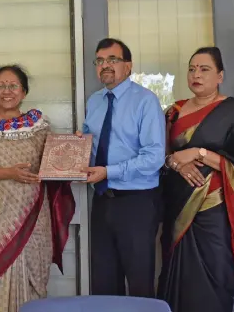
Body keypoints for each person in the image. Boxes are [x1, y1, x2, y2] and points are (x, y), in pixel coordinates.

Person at [0, 65, 76, 312]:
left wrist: (74, 147)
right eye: (1, 86)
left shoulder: (38, 126)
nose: (7, 91)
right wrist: (9, 174)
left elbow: (55, 163)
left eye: (13, 86)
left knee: (32, 279)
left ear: (24, 92)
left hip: (32, 219)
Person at [156, 47, 234, 312]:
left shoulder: (233, 112)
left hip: (214, 213)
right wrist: (176, 162)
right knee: (175, 280)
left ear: (220, 76)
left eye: (204, 69)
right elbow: (162, 156)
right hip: (177, 208)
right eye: (192, 69)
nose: (196, 75)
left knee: (214, 281)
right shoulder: (173, 112)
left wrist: (198, 153)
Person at [81, 38, 165, 297]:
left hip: (136, 203)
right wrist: (74, 150)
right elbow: (89, 142)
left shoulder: (146, 101)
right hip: (102, 200)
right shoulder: (94, 101)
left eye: (112, 60)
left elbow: (154, 157)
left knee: (139, 282)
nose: (105, 65)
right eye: (100, 60)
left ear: (128, 66)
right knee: (104, 282)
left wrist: (109, 171)